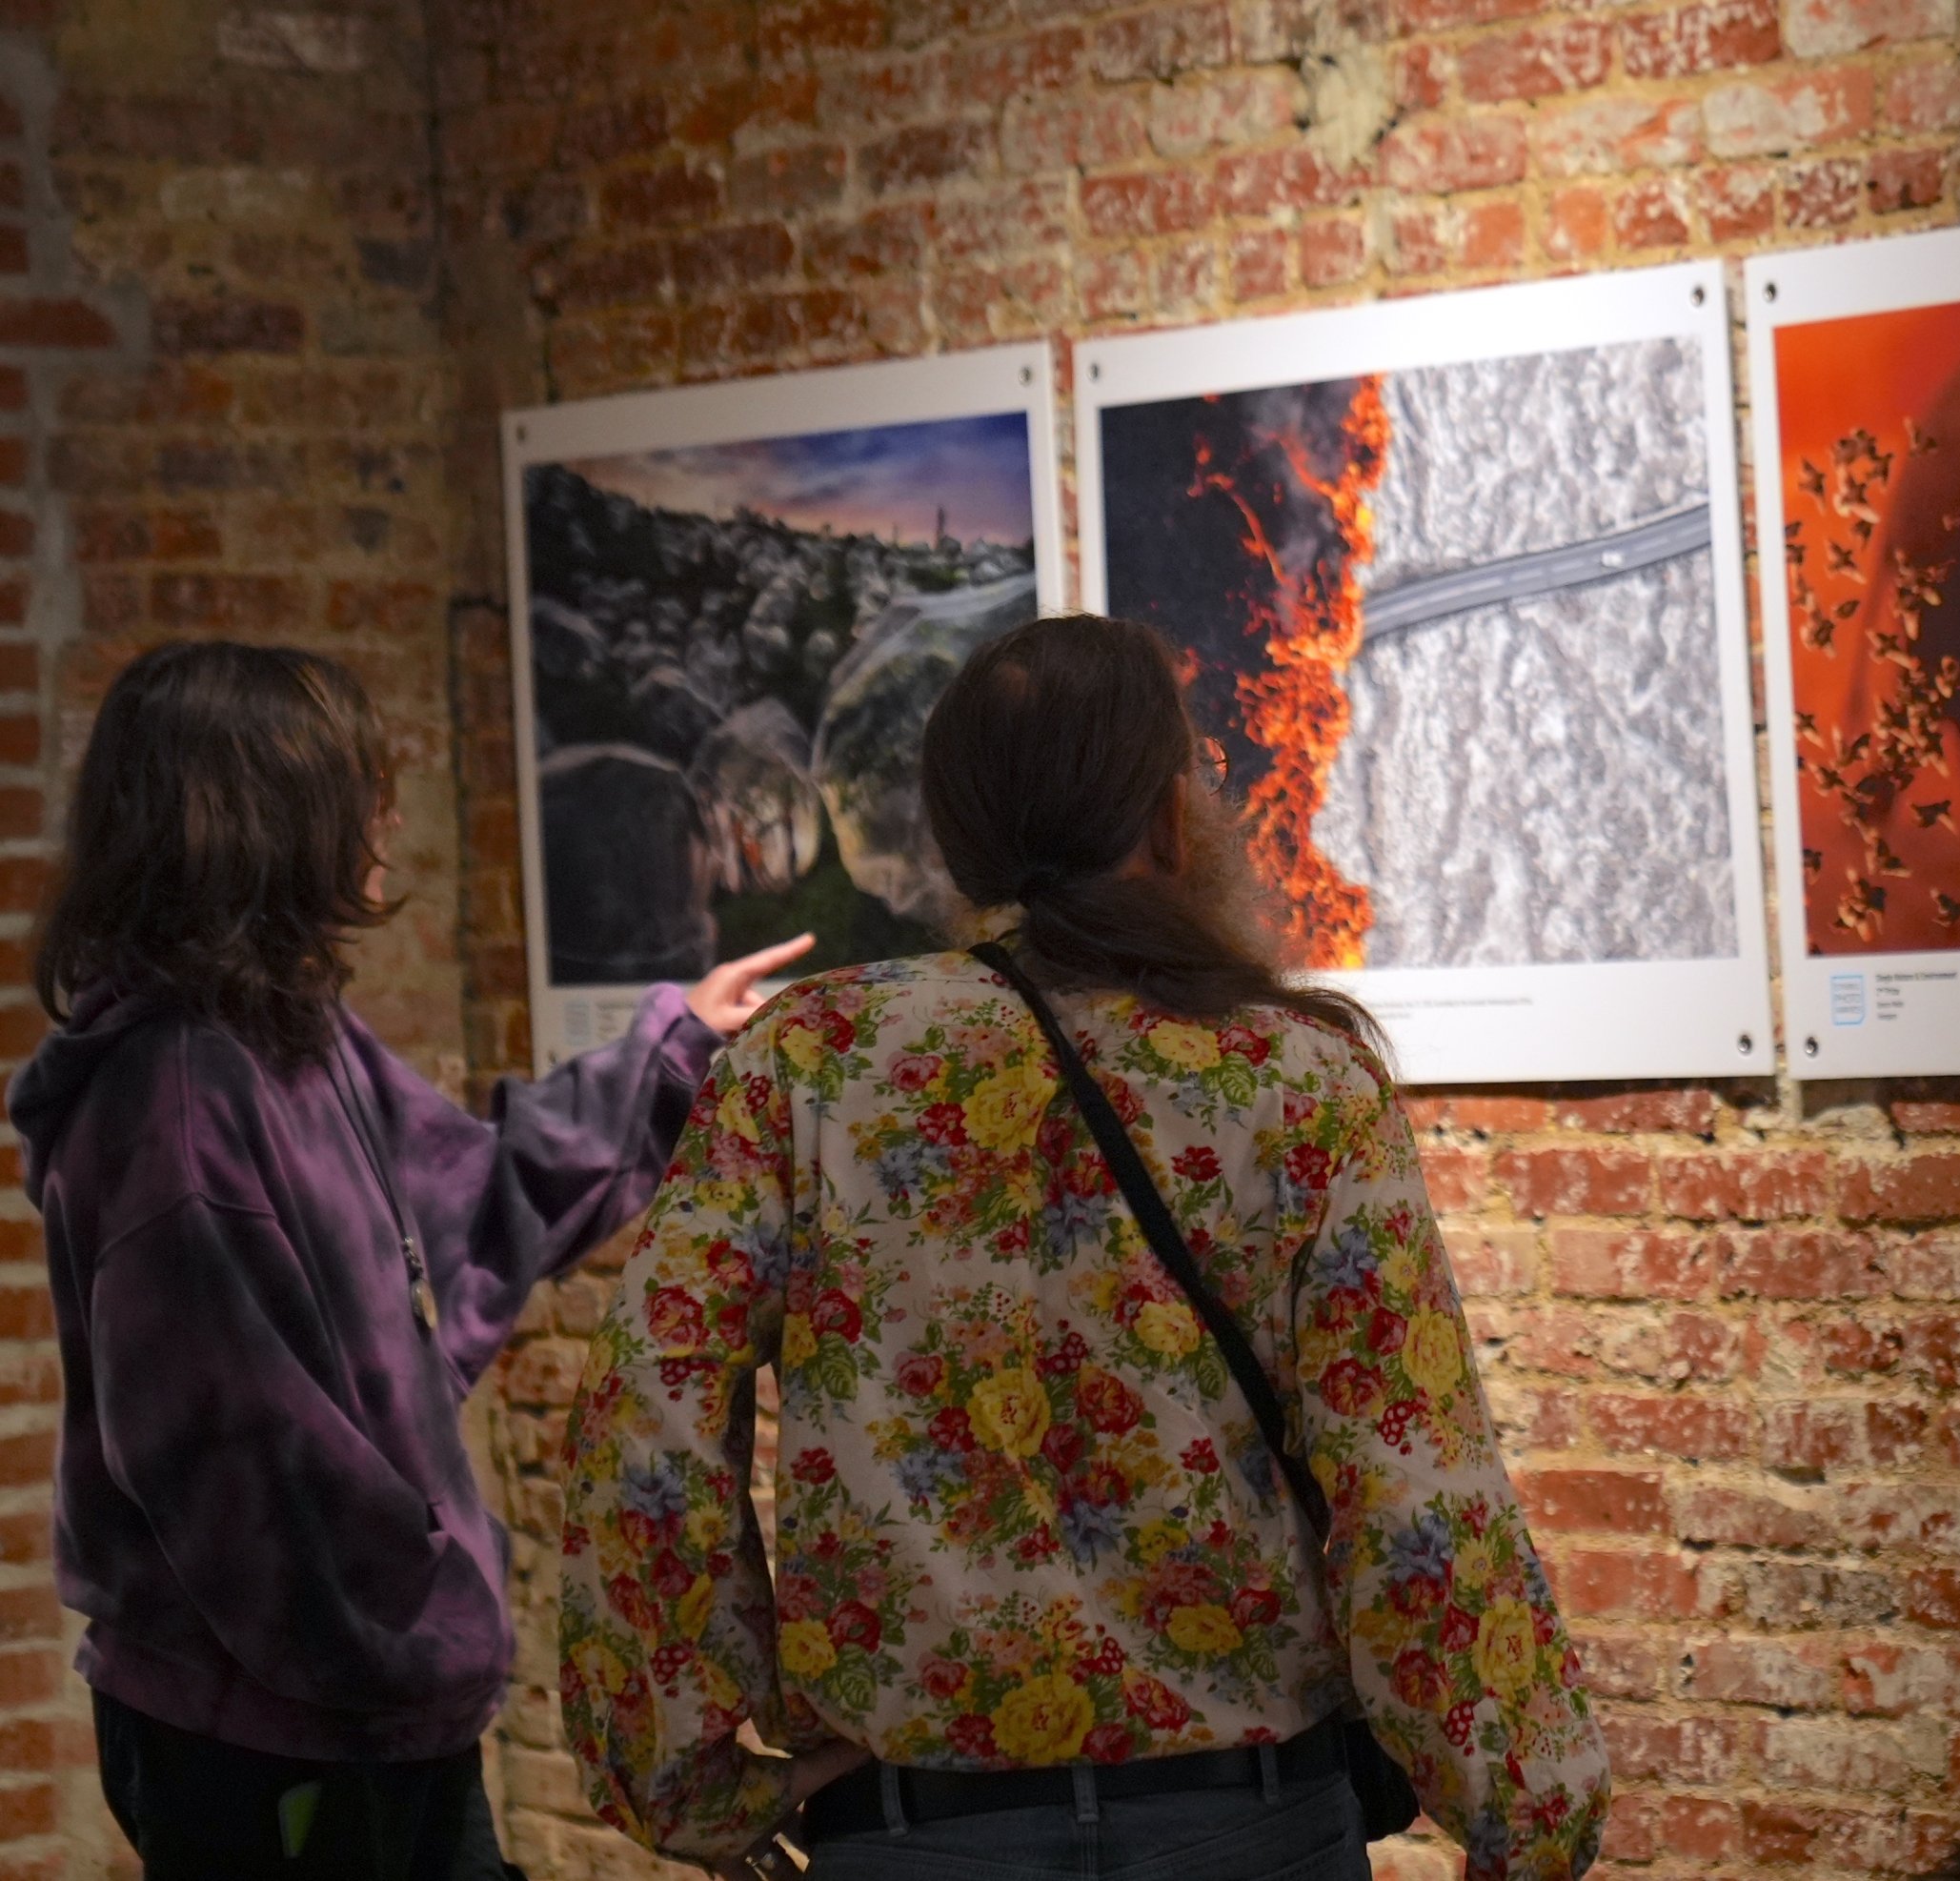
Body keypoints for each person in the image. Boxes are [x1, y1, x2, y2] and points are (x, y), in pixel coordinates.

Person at [559, 613, 1606, 1881]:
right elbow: (1413, 1484)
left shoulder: (812, 1060)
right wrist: (1527, 1814)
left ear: (959, 839)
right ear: (1172, 817)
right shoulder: (1299, 1080)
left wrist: (682, 1777)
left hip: (917, 1830)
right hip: (1248, 1824)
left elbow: (645, 1417)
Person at [10, 641, 814, 1879]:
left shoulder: (286, 1031)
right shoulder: (172, 1103)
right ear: (262, 817)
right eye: (356, 786)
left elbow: (470, 1186)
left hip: (368, 1709)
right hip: (288, 1731)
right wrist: (422, 1630)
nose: (386, 815)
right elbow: (242, 1474)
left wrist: (673, 1043)